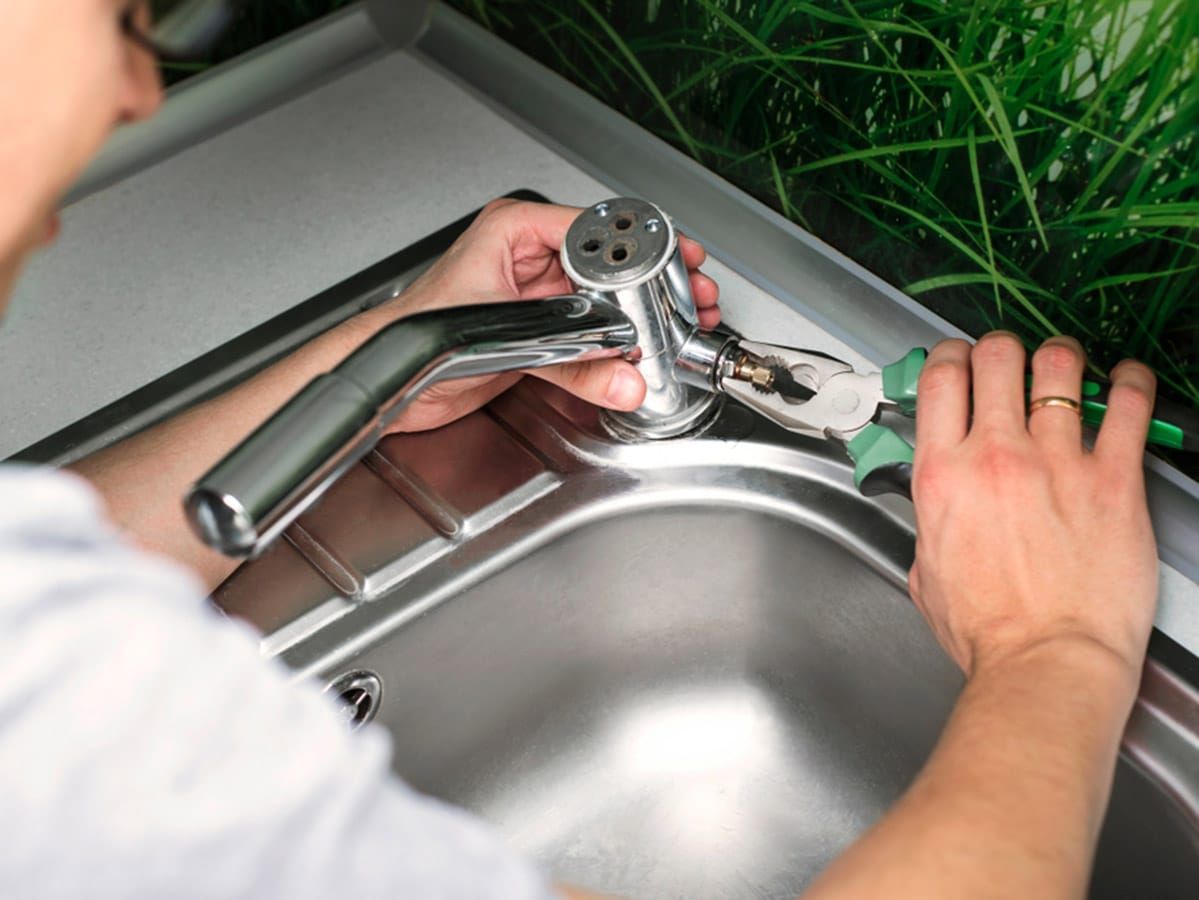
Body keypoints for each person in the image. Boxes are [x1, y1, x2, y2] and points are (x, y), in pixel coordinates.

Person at [0, 2, 1162, 898]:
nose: (138, 83)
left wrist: (385, 366)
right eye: (108, 13)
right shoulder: (133, 763)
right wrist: (1052, 648)